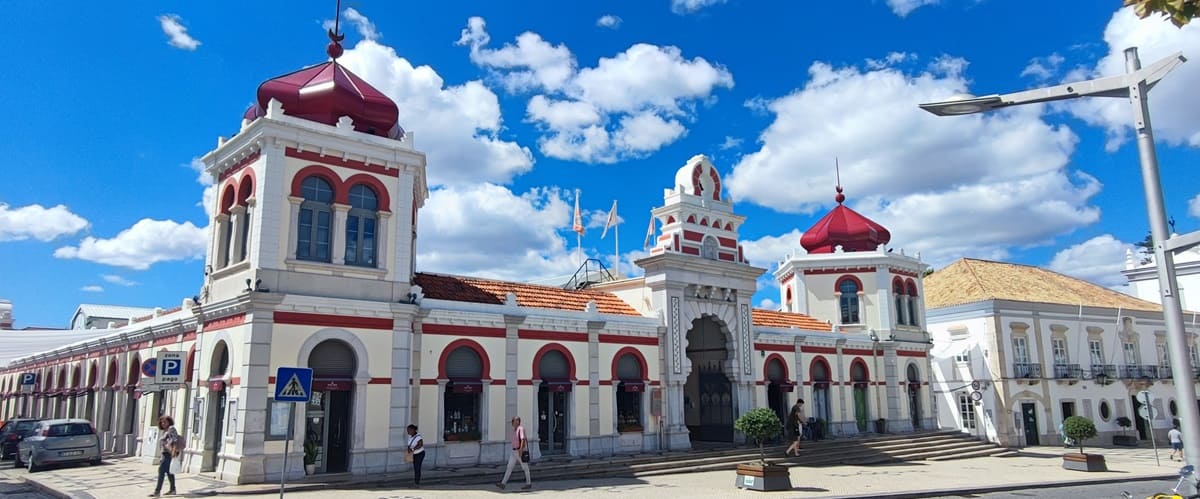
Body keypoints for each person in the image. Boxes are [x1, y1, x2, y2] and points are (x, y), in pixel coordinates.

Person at [496, 416, 532, 490]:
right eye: (514, 421)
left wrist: (521, 450)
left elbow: (523, 439)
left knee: (525, 467)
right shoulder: (515, 430)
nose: (515, 422)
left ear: (519, 422)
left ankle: (528, 483)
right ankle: (503, 483)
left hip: (519, 451)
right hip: (514, 452)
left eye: (516, 421)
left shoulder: (520, 429)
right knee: (509, 467)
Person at [150, 416, 180, 497]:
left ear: (169, 422)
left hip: (168, 454)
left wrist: (173, 451)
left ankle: (157, 491)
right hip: (165, 453)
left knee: (161, 471)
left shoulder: (171, 429)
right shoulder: (165, 431)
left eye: (165, 422)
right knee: (169, 472)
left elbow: (175, 439)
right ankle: (173, 489)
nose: (163, 424)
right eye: (162, 422)